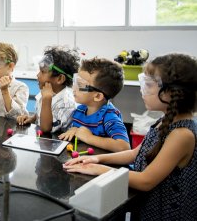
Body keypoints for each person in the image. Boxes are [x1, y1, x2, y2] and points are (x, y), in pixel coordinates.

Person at [64, 53, 197, 220]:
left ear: (172, 93)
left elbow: (145, 181)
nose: (143, 90)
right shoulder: (164, 121)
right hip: (147, 206)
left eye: (148, 85)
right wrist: (98, 160)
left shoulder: (182, 135)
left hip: (167, 213)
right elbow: (135, 153)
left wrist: (101, 170)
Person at [58, 57, 130, 152]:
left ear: (98, 96)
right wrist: (74, 129)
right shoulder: (80, 110)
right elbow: (80, 131)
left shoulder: (109, 117)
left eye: (80, 84)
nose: (74, 87)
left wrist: (89, 138)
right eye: (75, 81)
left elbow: (124, 147)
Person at [17, 46, 80, 133]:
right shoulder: (47, 92)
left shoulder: (66, 104)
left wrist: (46, 99)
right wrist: (32, 118)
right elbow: (40, 113)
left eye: (43, 72)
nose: (38, 75)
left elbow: (46, 129)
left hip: (56, 144)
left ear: (60, 79)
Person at [0, 42, 29, 119]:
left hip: (13, 129)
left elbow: (18, 115)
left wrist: (5, 91)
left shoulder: (21, 87)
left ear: (10, 66)